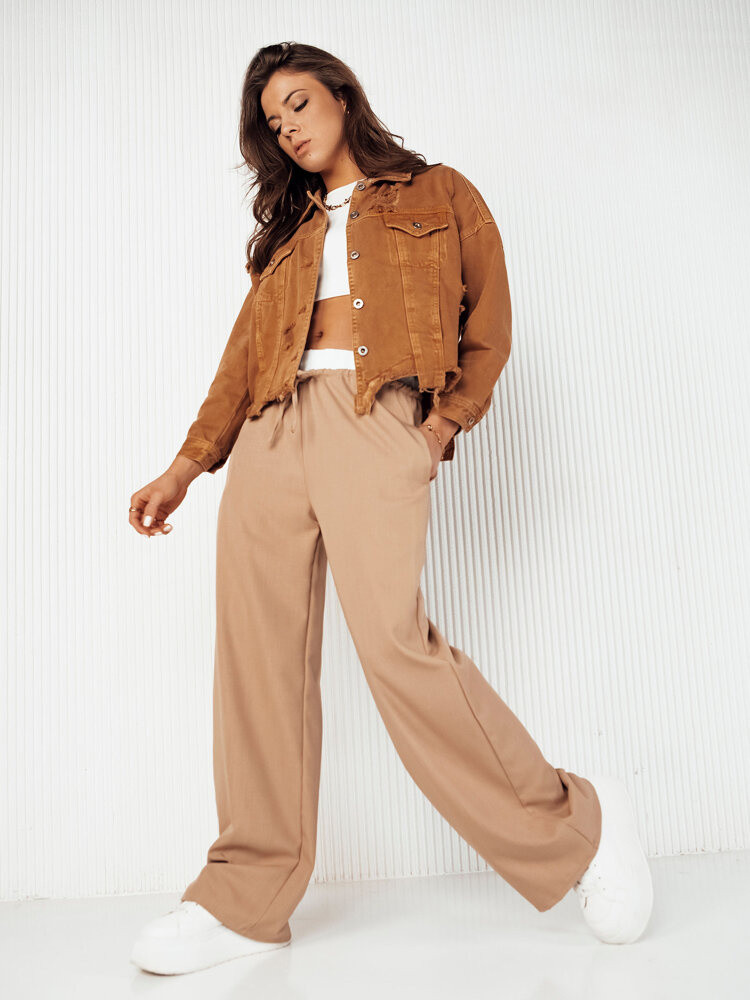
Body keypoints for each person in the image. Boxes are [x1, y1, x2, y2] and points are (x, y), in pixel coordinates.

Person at [128, 42, 653, 976]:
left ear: (342, 94)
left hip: (375, 418)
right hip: (271, 429)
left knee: (395, 647)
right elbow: (243, 357)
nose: (288, 128)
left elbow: (489, 326)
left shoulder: (438, 193)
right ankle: (247, 896)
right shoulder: (288, 233)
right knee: (255, 660)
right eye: (272, 122)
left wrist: (437, 428)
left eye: (298, 104)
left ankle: (577, 825)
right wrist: (187, 465)